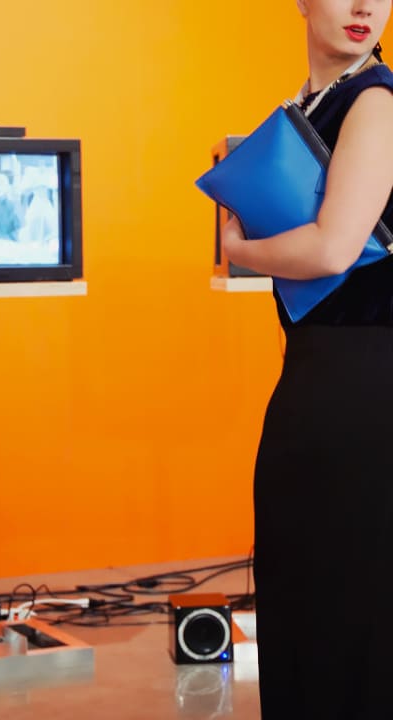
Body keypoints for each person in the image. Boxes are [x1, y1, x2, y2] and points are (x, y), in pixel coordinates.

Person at [221, 1, 393, 718]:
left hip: (366, 391)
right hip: (318, 381)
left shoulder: (376, 100)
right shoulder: (307, 106)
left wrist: (239, 247)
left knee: (347, 609)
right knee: (308, 597)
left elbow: (332, 248)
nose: (365, 7)